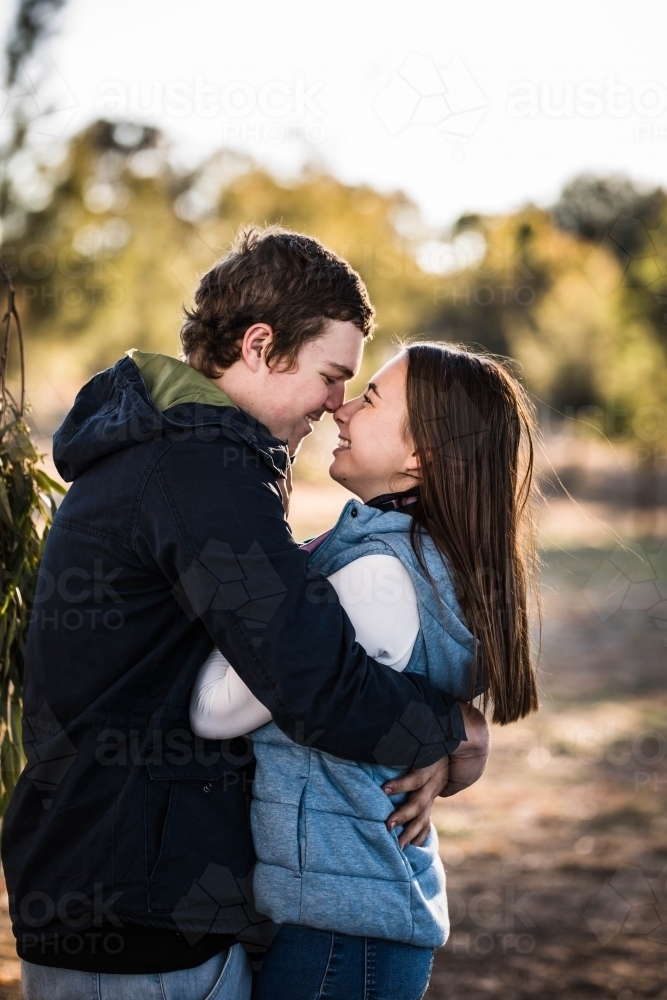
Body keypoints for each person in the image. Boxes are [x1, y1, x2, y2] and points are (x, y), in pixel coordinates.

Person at [3, 228, 489, 1000]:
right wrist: (449, 729)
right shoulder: (200, 469)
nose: (336, 405)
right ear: (261, 346)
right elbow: (309, 678)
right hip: (138, 911)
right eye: (332, 376)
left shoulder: (176, 451)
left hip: (119, 885)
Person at [190, 342, 539, 1000]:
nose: (341, 410)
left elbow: (215, 709)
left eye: (370, 397)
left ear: (420, 456)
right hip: (347, 924)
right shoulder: (411, 559)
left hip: (340, 937)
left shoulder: (378, 576)